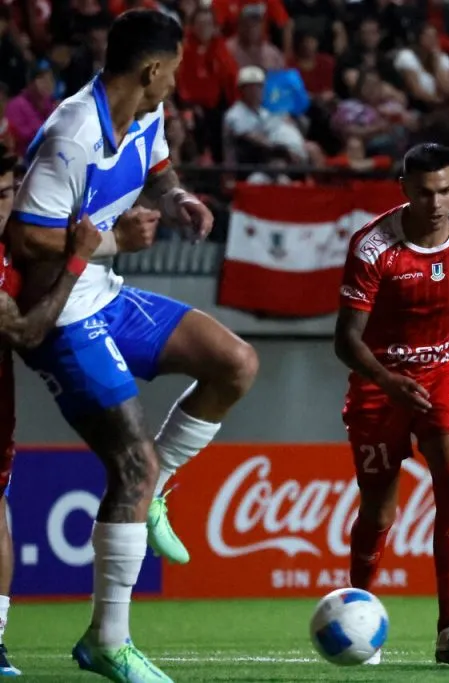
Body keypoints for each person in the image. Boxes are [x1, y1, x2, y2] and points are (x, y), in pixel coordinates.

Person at [8, 10, 259, 681]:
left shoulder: (143, 113)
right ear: (151, 70)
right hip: (57, 313)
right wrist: (117, 240)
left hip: (104, 293)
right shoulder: (73, 132)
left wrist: (176, 197)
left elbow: (160, 163)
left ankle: (158, 492)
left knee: (235, 361)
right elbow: (23, 239)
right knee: (131, 464)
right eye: (172, 72)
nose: (175, 85)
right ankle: (107, 640)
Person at [333, 144, 449, 666]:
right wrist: (387, 380)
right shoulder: (373, 248)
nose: (438, 202)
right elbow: (346, 341)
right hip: (379, 381)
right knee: (379, 505)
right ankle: (356, 611)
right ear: (404, 189)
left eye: (447, 190)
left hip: (446, 374)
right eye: (426, 191)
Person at [0, 148, 103, 678]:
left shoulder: (10, 246)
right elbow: (25, 332)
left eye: (8, 194)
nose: (6, 206)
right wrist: (78, 260)